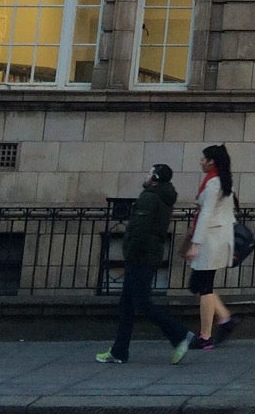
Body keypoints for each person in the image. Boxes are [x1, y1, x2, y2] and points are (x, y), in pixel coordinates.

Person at [96, 164, 197, 365]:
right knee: (127, 304)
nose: (146, 176)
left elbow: (139, 229)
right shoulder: (164, 197)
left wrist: (130, 252)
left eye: (149, 173)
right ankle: (119, 350)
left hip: (141, 256)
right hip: (150, 253)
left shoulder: (149, 197)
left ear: (155, 178)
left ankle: (180, 335)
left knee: (142, 302)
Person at [183, 144, 238, 347]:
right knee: (200, 284)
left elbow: (206, 214)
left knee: (204, 286)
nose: (201, 162)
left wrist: (195, 243)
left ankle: (206, 336)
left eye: (203, 158)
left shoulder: (214, 183)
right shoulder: (222, 182)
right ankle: (225, 318)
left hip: (210, 240)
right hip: (214, 238)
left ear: (211, 161)